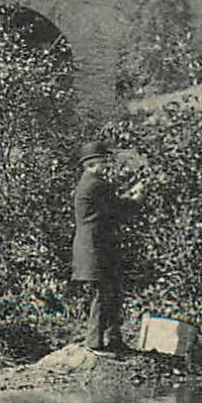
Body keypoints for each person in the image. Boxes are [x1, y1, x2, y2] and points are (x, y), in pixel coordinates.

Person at [71, 141, 144, 354]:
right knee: (103, 294)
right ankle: (95, 342)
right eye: (104, 161)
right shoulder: (95, 184)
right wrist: (136, 197)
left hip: (95, 247)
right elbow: (117, 210)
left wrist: (128, 195)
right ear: (93, 164)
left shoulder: (91, 182)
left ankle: (112, 339)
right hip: (94, 248)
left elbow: (110, 205)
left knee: (111, 292)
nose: (107, 165)